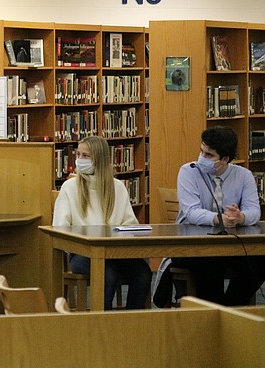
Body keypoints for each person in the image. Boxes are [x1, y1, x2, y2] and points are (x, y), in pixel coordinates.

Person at [155, 126, 265, 306]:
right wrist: (219, 219)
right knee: (211, 262)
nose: (202, 158)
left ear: (225, 159)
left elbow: (254, 210)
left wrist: (240, 217)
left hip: (231, 247)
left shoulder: (244, 175)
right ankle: (214, 314)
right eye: (201, 151)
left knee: (260, 260)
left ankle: (230, 308)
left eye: (209, 155)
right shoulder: (188, 171)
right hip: (193, 247)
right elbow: (191, 212)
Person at [53, 135, 151, 310]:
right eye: (79, 155)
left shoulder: (117, 187)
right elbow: (60, 228)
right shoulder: (70, 187)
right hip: (82, 254)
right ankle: (101, 325)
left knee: (142, 273)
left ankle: (133, 322)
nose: (80, 160)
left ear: (99, 160)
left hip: (115, 252)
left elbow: (130, 224)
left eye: (86, 156)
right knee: (108, 274)